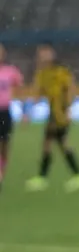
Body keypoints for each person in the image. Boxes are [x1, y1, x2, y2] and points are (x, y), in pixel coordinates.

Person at [23, 44, 79, 192]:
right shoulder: (42, 74)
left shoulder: (61, 72)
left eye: (44, 53)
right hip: (53, 114)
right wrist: (28, 112)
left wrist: (68, 109)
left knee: (54, 144)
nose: (41, 56)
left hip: (60, 114)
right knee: (58, 144)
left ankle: (45, 177)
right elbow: (36, 95)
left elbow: (70, 90)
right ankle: (77, 176)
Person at [0, 43, 25, 194]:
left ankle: (1, 174)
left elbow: (20, 89)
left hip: (5, 113)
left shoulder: (10, 71)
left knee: (5, 147)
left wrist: (24, 111)